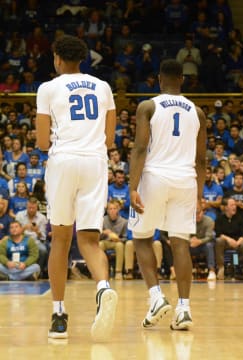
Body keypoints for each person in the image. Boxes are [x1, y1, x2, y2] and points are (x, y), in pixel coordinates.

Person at [35, 35, 118, 341]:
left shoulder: (48, 88)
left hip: (64, 162)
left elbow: (43, 142)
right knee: (90, 241)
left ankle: (59, 315)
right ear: (82, 59)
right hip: (96, 163)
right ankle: (103, 288)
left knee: (60, 240)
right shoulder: (103, 87)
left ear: (57, 58)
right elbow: (110, 141)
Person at [128, 59, 206, 331]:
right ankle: (184, 309)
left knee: (141, 239)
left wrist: (132, 186)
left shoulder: (148, 106)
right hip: (186, 180)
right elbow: (201, 160)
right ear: (182, 79)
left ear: (159, 79)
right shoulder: (198, 112)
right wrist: (199, 195)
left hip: (155, 177)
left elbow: (139, 149)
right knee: (180, 243)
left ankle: (156, 297)